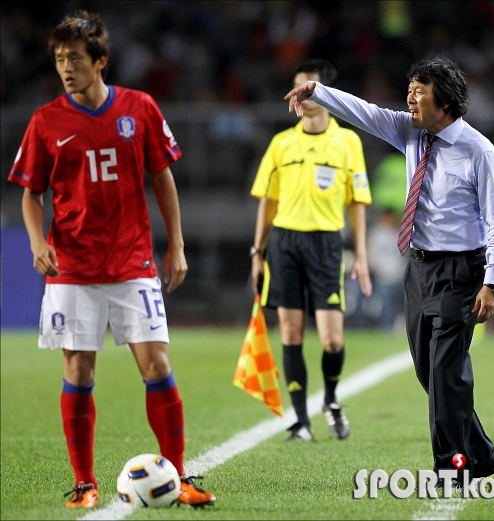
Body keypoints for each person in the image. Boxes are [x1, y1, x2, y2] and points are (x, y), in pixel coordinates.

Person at [7, 11, 215, 509]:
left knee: (157, 364)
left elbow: (162, 176)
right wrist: (38, 242)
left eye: (75, 59)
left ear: (100, 61)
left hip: (132, 263)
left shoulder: (139, 108)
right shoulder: (45, 121)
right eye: (59, 60)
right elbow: (30, 194)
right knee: (78, 374)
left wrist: (178, 244)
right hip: (72, 270)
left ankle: (179, 476)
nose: (65, 68)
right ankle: (84, 482)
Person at [285, 56, 494, 485]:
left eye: (419, 90)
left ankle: (452, 468)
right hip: (418, 267)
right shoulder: (411, 133)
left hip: (460, 271)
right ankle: (481, 455)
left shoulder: (480, 152)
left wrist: (493, 281)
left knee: (448, 372)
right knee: (428, 372)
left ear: (444, 99)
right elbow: (366, 112)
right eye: (409, 89)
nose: (409, 98)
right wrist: (318, 92)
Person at [250, 58, 372, 442]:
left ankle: (331, 399)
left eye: (309, 87)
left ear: (326, 93)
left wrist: (362, 255)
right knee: (290, 332)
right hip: (284, 243)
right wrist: (258, 251)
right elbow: (267, 202)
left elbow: (357, 202)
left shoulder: (348, 141)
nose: (301, 94)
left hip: (325, 244)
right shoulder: (281, 143)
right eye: (296, 87)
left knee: (332, 338)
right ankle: (301, 421)